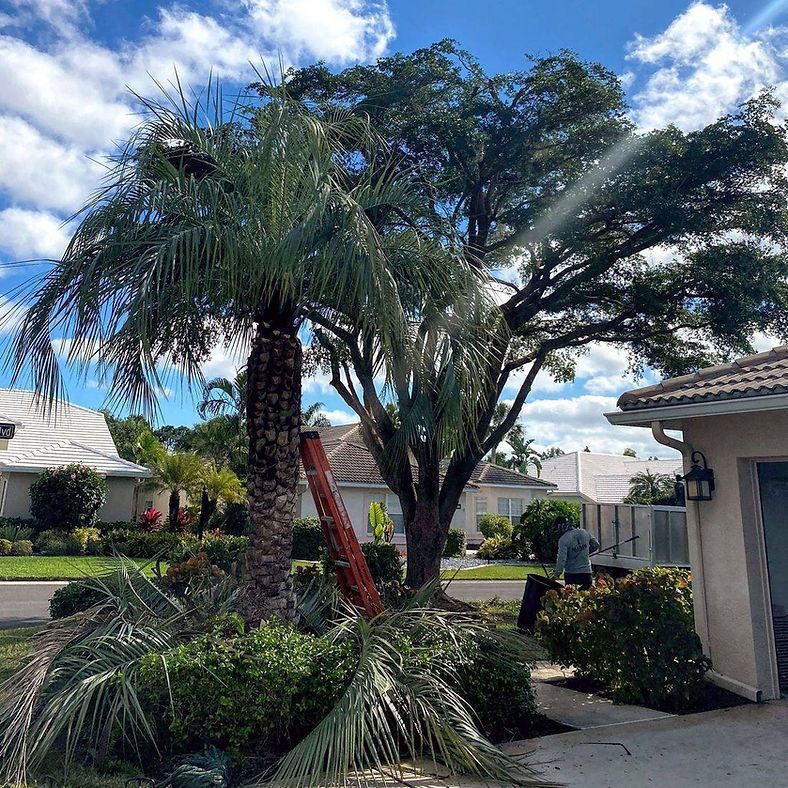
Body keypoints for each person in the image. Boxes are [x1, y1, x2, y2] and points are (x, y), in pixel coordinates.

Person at [552, 516, 599, 590]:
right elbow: (596, 544)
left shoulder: (563, 540)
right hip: (587, 573)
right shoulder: (584, 532)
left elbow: (562, 559)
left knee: (572, 599)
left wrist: (556, 574)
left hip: (572, 574)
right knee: (587, 599)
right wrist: (585, 551)